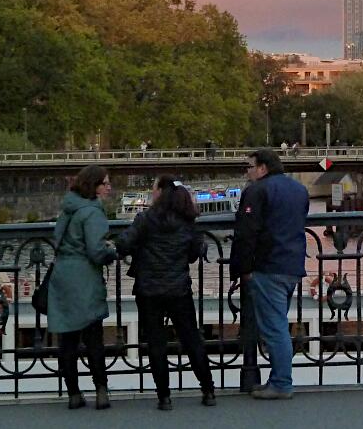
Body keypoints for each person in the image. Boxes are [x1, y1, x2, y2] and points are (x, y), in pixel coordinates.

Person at [115, 175, 216, 410]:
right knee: (191, 338)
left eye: (153, 189)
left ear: (160, 192)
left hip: (149, 289)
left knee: (156, 342)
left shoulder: (145, 219)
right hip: (178, 288)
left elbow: (124, 244)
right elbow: (193, 253)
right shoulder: (187, 221)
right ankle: (208, 389)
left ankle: (164, 397)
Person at [230, 148, 310, 400]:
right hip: (292, 265)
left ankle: (281, 383)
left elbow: (246, 233)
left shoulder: (256, 191)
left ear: (263, 168)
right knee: (278, 322)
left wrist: (242, 269)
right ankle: (276, 379)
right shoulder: (299, 190)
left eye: (249, 166)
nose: (247, 171)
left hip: (268, 266)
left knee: (275, 327)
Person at [48, 165, 117, 410]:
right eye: (105, 183)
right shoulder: (93, 212)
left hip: (63, 275)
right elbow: (96, 251)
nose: (109, 187)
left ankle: (73, 394)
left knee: (67, 339)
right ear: (94, 186)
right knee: (93, 338)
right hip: (84, 277)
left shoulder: (68, 208)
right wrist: (112, 251)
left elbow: (58, 239)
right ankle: (101, 391)